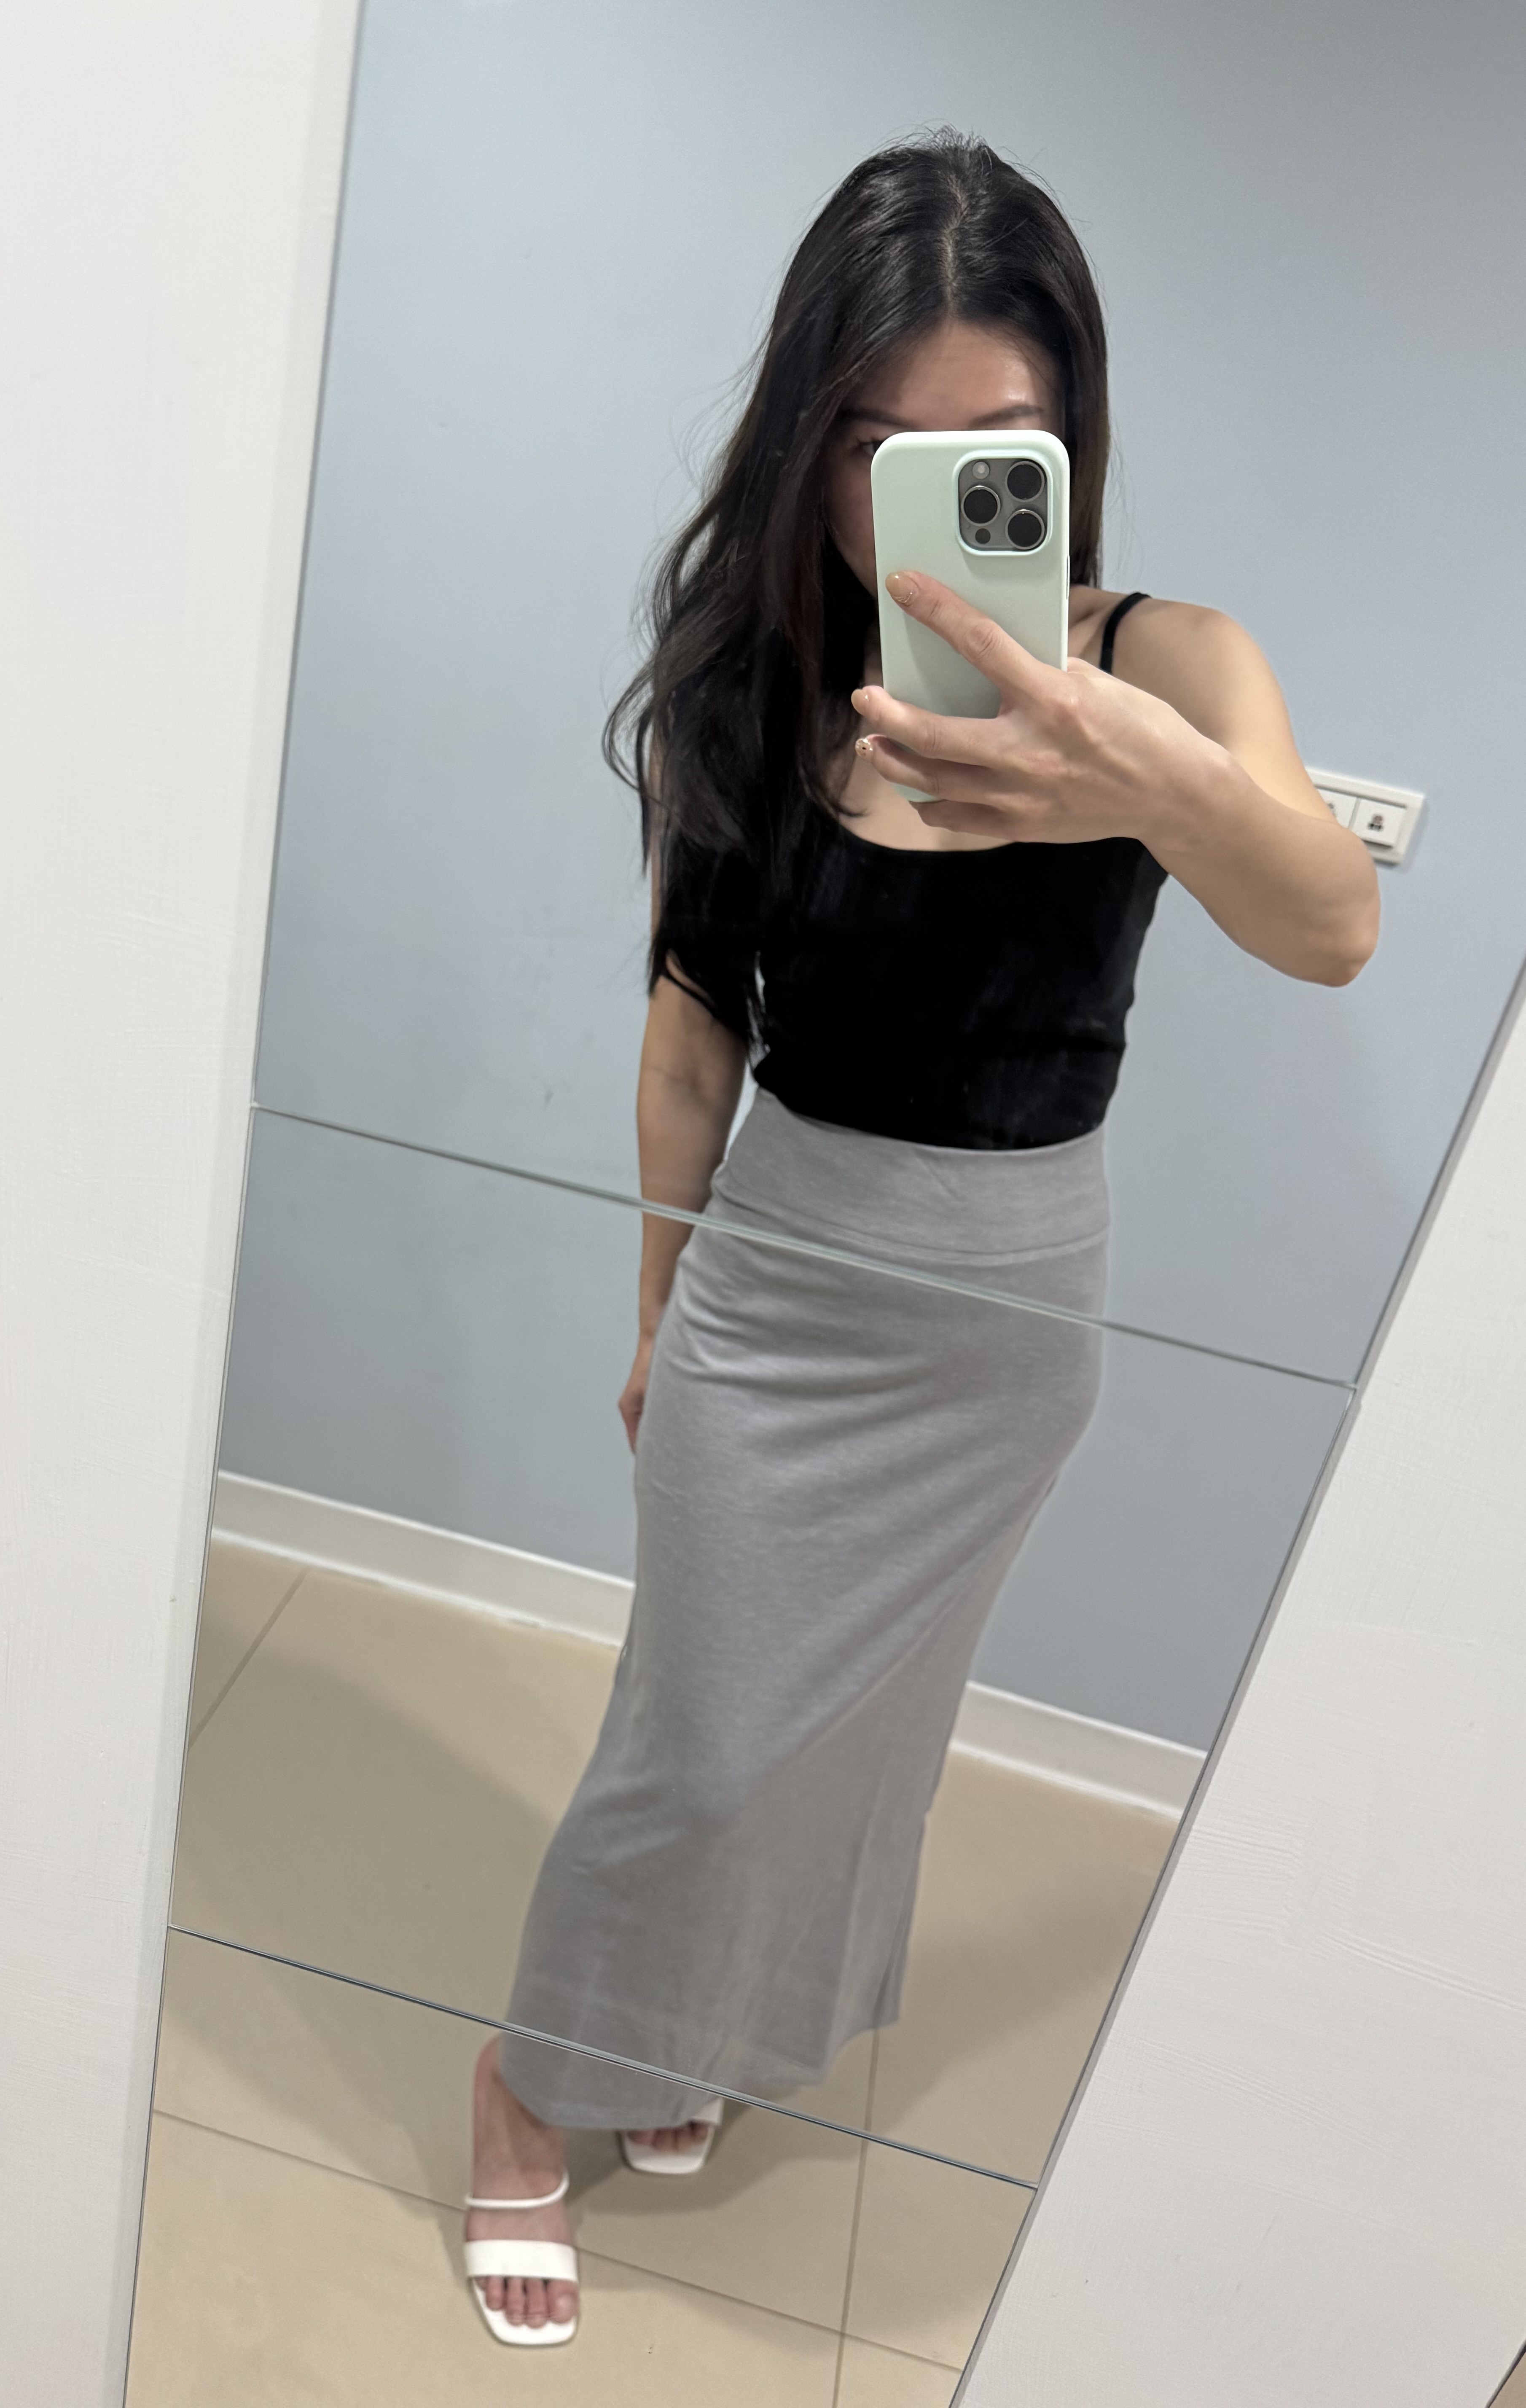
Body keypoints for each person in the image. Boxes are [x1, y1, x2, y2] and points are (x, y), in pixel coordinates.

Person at [461, 133, 1379, 2345]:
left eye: (998, 446)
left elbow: (1330, 925)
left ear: (1065, 441)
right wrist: (661, 1306)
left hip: (1008, 1312)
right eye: (881, 442)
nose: (933, 494)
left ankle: (688, 2034)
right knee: (698, 1741)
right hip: (780, 1279)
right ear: (810, 435)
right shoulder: (758, 677)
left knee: (855, 1739)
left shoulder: (1170, 665)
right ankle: (529, 2081)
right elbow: (693, 1029)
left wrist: (1141, 779)